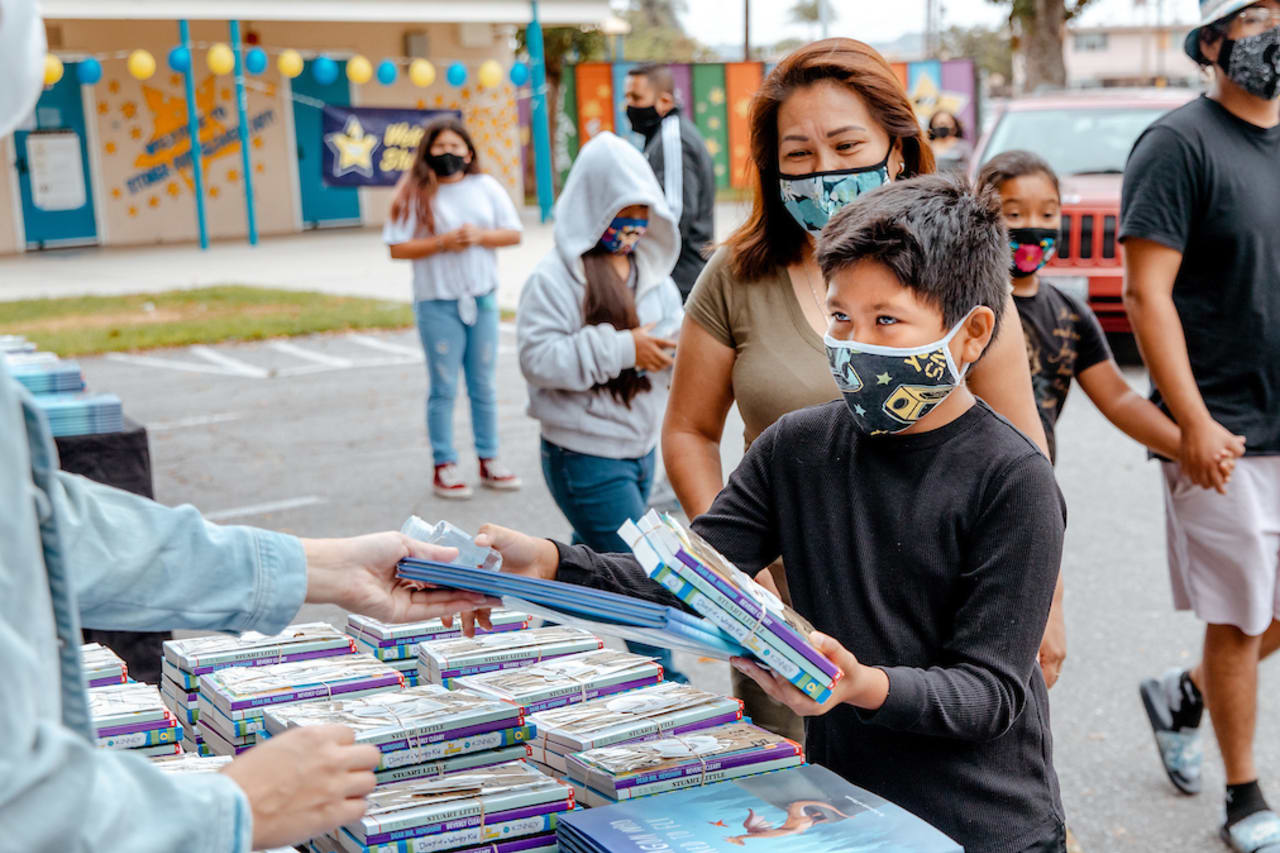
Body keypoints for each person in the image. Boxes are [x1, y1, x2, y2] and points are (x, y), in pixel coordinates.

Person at [479, 174, 1068, 853]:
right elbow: (685, 576)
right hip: (850, 812)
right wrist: (548, 562)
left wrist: (863, 684)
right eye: (841, 317)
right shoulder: (797, 447)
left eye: (888, 320)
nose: (857, 344)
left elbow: (989, 691)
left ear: (971, 335)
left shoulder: (1014, 480)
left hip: (987, 826)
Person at [660, 38, 1062, 742]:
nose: (824, 174)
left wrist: (1046, 597)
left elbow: (1022, 444)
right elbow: (689, 430)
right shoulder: (734, 275)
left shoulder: (960, 278)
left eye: (847, 147)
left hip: (942, 609)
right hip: (787, 624)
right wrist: (733, 577)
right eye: (799, 156)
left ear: (897, 149)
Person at [1121, 0, 1277, 847]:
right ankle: (1244, 795)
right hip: (1225, 430)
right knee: (1242, 615)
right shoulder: (1178, 144)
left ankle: (1182, 692)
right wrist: (1192, 421)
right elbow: (1148, 296)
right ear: (1213, 41)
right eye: (1257, 16)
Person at [516, 131, 688, 682]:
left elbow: (677, 335)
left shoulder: (650, 272)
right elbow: (538, 358)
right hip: (583, 456)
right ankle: (668, 686)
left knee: (581, 569)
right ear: (592, 209)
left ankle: (529, 667)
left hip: (637, 452)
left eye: (643, 212)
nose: (634, 225)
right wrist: (624, 348)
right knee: (644, 572)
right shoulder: (553, 278)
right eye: (622, 212)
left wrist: (671, 353)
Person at [978, 150, 1236, 467]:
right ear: (982, 216)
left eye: (1047, 215)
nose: (1033, 227)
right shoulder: (964, 307)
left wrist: (1198, 448)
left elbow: (1118, 399)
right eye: (1014, 215)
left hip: (1030, 482)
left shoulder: (1069, 314)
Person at [385, 117, 523, 499]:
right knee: (444, 387)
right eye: (440, 147)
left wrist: (480, 237)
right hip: (437, 302)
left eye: (455, 147)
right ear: (427, 151)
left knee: (483, 385)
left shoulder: (485, 187)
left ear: (469, 152)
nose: (448, 154)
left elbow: (513, 233)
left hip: (481, 299)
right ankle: (444, 464)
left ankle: (489, 458)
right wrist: (442, 242)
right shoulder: (414, 191)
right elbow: (396, 247)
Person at [624, 63, 717, 301]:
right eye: (626, 97)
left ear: (664, 101)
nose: (629, 106)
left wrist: (635, 249)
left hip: (681, 279)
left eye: (637, 97)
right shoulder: (662, 135)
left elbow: (675, 214)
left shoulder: (672, 137)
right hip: (680, 276)